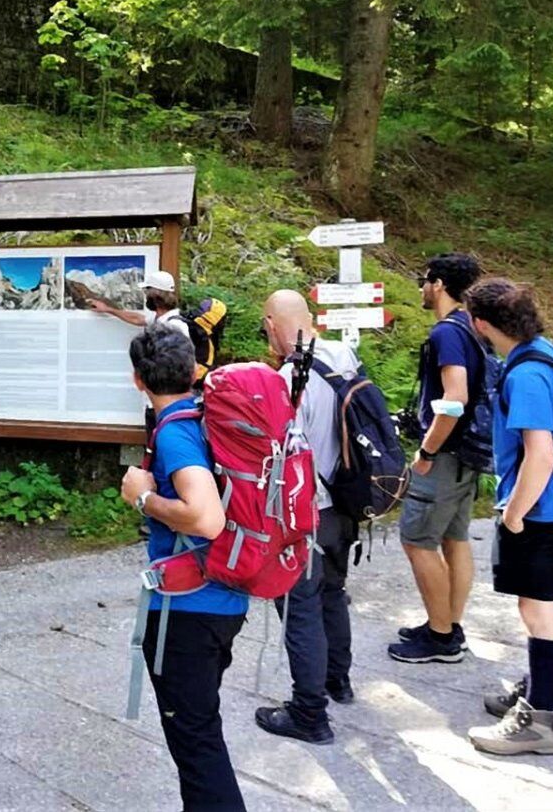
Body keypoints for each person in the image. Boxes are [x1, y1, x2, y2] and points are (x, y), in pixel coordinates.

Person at [119, 327, 247, 811]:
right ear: (195, 372)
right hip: (224, 596)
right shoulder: (206, 417)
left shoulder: (175, 432)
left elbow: (207, 518)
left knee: (197, 744)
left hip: (188, 609)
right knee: (199, 731)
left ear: (137, 380)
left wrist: (144, 498)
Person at [464, 279, 553, 755]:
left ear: (481, 324)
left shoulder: (525, 375)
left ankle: (541, 722)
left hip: (541, 508)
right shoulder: (544, 351)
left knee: (537, 607)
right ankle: (539, 691)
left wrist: (514, 513)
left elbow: (541, 454)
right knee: (546, 602)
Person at [253, 290, 360, 745]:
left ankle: (309, 713)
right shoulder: (344, 356)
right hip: (346, 503)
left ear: (274, 323)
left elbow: (280, 451)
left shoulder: (288, 377)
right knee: (333, 594)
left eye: (267, 327)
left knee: (299, 607)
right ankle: (339, 680)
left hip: (306, 512)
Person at [390, 253, 483, 664]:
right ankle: (448, 623)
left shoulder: (447, 333)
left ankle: (441, 637)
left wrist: (427, 451)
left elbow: (455, 397)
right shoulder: (474, 327)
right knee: (454, 538)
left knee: (417, 541)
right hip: (468, 455)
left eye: (424, 280)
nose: (423, 288)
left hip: (444, 455)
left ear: (440, 284)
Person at [90, 270, 190, 337]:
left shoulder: (175, 325)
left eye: (147, 291)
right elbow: (137, 319)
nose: (145, 295)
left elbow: (186, 361)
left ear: (155, 295)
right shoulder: (161, 318)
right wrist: (108, 309)